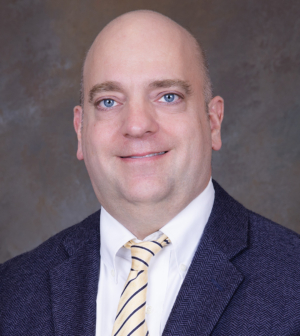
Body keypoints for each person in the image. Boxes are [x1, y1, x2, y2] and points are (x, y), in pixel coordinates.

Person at [1, 10, 300, 336]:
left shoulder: (292, 281)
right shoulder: (11, 294)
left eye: (168, 96)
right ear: (80, 130)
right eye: (108, 102)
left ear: (213, 121)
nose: (137, 125)